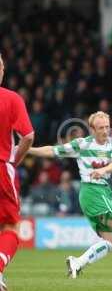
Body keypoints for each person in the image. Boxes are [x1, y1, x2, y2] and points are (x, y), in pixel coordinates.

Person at [27, 111, 112, 279]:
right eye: (101, 128)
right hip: (92, 191)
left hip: (102, 191)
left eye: (107, 127)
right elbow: (53, 150)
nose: (105, 131)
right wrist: (27, 149)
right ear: (92, 129)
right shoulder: (82, 145)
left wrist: (103, 170)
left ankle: (77, 262)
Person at [0, 54, 35, 291]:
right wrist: (15, 160)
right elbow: (28, 137)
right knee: (11, 227)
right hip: (1, 167)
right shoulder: (11, 98)